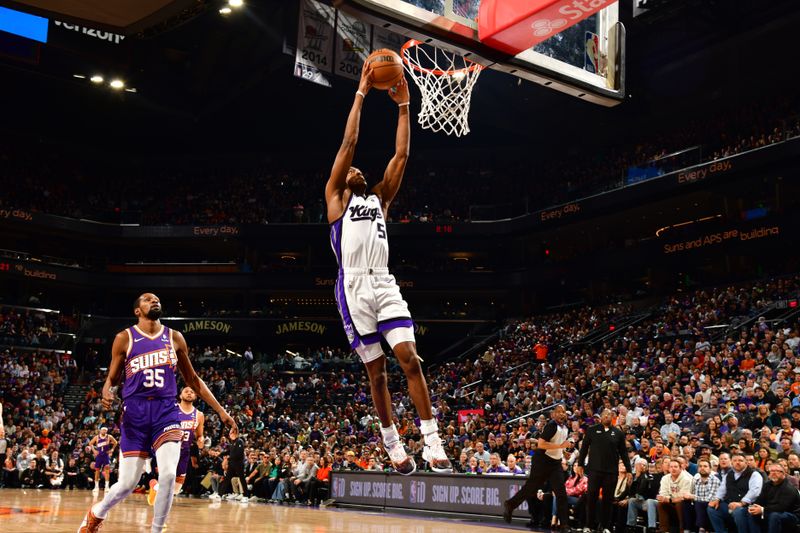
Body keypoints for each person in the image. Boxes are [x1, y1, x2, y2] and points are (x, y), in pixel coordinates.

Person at [324, 62, 449, 474]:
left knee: (410, 359)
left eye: (361, 169)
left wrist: (403, 106)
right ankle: (393, 444)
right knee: (377, 375)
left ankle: (432, 441)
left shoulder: (380, 198)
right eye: (353, 170)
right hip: (353, 288)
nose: (358, 169)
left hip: (384, 283)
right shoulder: (336, 201)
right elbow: (348, 142)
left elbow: (402, 154)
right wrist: (361, 92)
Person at [78, 293, 236, 533]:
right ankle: (96, 513)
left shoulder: (174, 337)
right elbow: (111, 378)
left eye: (157, 299)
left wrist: (221, 411)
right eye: (147, 299)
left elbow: (193, 379)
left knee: (169, 475)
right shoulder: (124, 338)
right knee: (127, 484)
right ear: (137, 311)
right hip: (134, 412)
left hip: (165, 411)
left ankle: (157, 530)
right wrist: (106, 391)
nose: (154, 301)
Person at [503, 404, 571, 533]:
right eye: (558, 411)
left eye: (563, 411)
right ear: (553, 414)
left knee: (561, 493)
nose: (561, 413)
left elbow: (558, 445)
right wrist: (560, 446)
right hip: (542, 461)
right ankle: (510, 504)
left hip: (555, 463)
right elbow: (541, 444)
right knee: (531, 489)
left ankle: (564, 525)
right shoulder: (551, 425)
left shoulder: (565, 428)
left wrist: (563, 451)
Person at [576, 408, 633, 533]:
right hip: (594, 470)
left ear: (612, 417)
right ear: (601, 417)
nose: (607, 416)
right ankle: (589, 526)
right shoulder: (591, 430)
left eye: (609, 415)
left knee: (608, 500)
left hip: (611, 472)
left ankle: (606, 526)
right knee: (591, 498)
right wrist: (580, 464)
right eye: (605, 414)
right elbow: (584, 448)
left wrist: (629, 470)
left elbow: (624, 453)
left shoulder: (618, 433)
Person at [147, 386, 205, 505]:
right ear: (180, 395)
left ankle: (155, 488)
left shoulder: (199, 415)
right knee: (165, 482)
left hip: (184, 452)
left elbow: (199, 435)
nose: (189, 393)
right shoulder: (171, 409)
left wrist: (201, 440)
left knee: (176, 489)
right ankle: (159, 515)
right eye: (186, 391)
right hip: (168, 449)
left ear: (195, 396)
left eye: (192, 392)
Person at [707, 452, 764, 533]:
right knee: (711, 508)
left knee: (738, 511)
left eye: (740, 460)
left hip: (746, 506)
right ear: (731, 462)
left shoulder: (754, 474)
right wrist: (717, 499)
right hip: (730, 504)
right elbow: (722, 489)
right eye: (735, 460)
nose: (737, 462)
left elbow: (754, 491)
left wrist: (741, 503)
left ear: (746, 462)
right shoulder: (728, 474)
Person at [748, 462, 800, 533]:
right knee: (751, 512)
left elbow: (781, 507)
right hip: (771, 511)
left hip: (790, 515)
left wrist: (762, 509)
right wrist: (754, 507)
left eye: (777, 471)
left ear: (784, 474)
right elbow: (760, 500)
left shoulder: (789, 488)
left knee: (774, 515)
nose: (774, 473)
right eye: (772, 471)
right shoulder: (767, 485)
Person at [656, 458, 693, 533]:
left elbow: (683, 497)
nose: (673, 469)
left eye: (675, 467)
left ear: (681, 468)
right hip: (672, 503)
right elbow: (663, 494)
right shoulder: (665, 478)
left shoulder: (687, 479)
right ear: (668, 468)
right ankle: (664, 530)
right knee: (661, 503)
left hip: (686, 505)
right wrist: (666, 498)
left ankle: (682, 529)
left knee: (680, 503)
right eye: (671, 467)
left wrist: (669, 499)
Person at [88, 427, 117, 492]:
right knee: (97, 470)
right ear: (100, 431)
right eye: (103, 430)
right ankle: (96, 487)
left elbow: (115, 442)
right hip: (99, 456)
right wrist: (94, 450)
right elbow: (90, 443)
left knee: (107, 470)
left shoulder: (109, 436)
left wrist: (112, 449)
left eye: (105, 430)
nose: (104, 431)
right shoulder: (96, 437)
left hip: (106, 455)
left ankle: (107, 487)